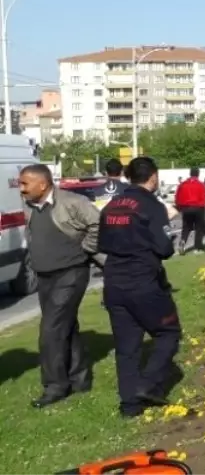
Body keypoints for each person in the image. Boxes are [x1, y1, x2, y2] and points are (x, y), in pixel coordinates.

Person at [98, 157, 181, 418]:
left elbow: (101, 243)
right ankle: (147, 384)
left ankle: (129, 406)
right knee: (168, 332)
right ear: (153, 177)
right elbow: (164, 249)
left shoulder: (111, 206)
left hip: (113, 282)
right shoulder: (152, 206)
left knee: (127, 346)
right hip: (143, 281)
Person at [17, 164, 102, 408]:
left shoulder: (72, 202)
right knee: (67, 327)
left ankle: (55, 386)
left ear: (42, 184)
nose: (21, 189)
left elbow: (98, 224)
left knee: (51, 330)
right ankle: (79, 379)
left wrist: (86, 248)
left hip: (71, 273)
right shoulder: (30, 205)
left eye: (25, 184)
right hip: (45, 276)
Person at [174, 167, 205, 252]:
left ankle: (183, 241)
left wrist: (179, 207)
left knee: (186, 227)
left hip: (186, 208)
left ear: (190, 174)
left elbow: (177, 196)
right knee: (199, 227)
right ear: (198, 174)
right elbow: (204, 197)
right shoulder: (201, 185)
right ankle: (197, 247)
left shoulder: (182, 184)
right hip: (198, 208)